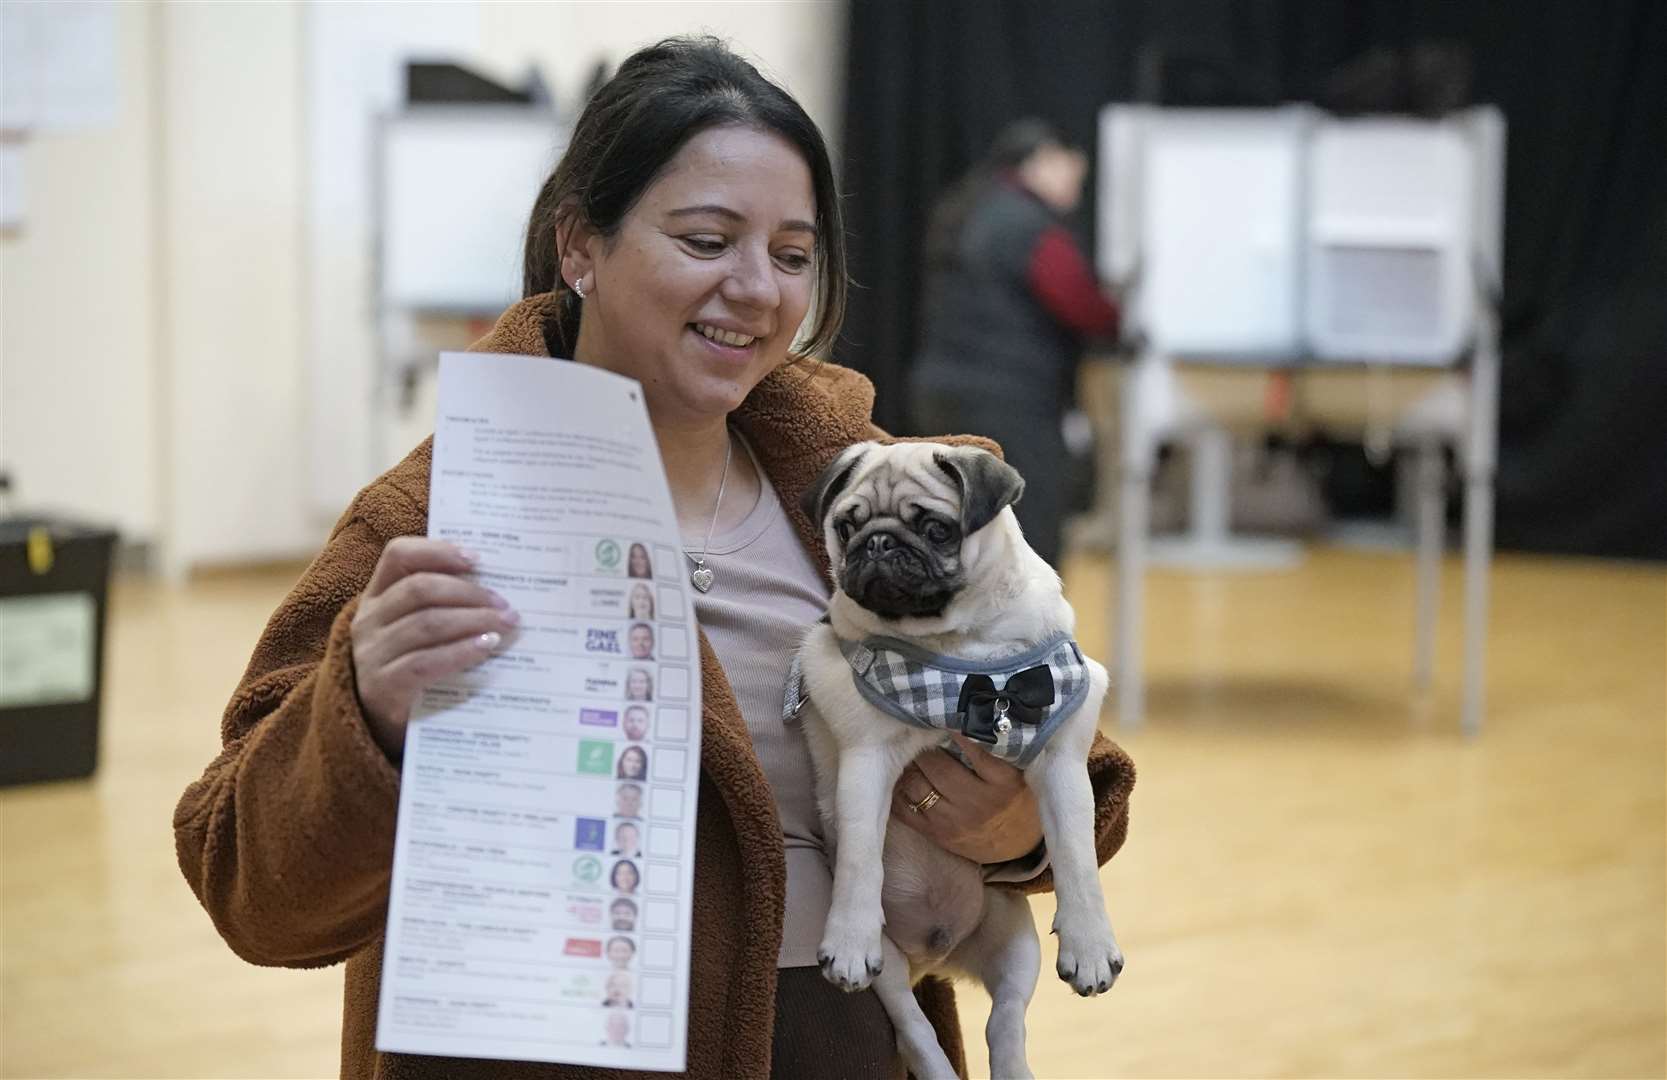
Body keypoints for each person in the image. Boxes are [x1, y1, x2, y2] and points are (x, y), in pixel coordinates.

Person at [172, 37, 1134, 1080]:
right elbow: (247, 885)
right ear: (580, 243)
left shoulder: (871, 498)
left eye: (793, 254)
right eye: (707, 239)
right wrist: (362, 714)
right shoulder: (434, 522)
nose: (755, 290)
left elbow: (1079, 766)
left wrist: (1010, 827)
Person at [909, 118, 1120, 569]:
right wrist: (1122, 324)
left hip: (940, 391)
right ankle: (1027, 640)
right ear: (1039, 161)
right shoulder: (1032, 227)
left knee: (958, 532)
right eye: (1069, 167)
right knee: (1030, 537)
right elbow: (1082, 305)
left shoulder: (962, 206)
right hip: (1011, 404)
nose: (1075, 180)